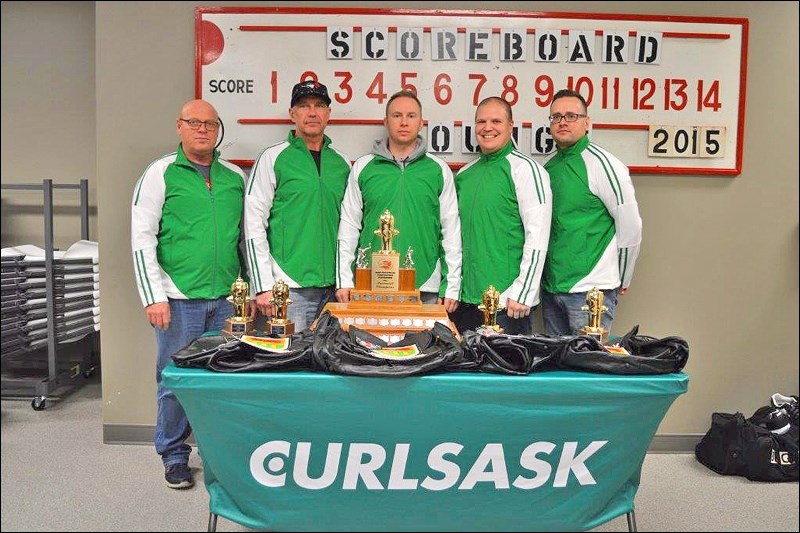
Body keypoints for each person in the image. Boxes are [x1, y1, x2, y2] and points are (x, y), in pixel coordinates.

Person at [131, 99, 246, 489]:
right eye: (194, 123)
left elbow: (244, 239)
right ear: (179, 127)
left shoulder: (234, 178)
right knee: (175, 381)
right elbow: (142, 237)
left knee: (223, 380)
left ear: (218, 131)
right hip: (177, 299)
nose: (202, 130)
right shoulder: (160, 173)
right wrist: (153, 296)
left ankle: (216, 452)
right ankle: (174, 454)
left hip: (228, 300)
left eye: (210, 124)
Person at [335, 89, 461, 311]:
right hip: (371, 285)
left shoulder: (438, 170)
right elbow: (349, 226)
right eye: (397, 115)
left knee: (423, 347)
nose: (404, 122)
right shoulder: (363, 167)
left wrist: (451, 286)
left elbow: (450, 231)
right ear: (385, 121)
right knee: (369, 347)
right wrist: (345, 279)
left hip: (424, 286)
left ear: (421, 122)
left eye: (411, 116)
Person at [244, 80, 351, 331]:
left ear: (328, 114)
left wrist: (346, 280)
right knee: (291, 366)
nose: (312, 112)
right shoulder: (272, 158)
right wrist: (262, 286)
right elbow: (253, 223)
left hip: (335, 290)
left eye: (319, 106)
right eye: (304, 106)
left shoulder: (343, 163)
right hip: (287, 289)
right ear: (292, 114)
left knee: (332, 365)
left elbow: (351, 225)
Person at [542, 88, 642, 336]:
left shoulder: (604, 164)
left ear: (587, 123)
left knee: (588, 369)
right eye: (556, 117)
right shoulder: (549, 167)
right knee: (558, 372)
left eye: (571, 116)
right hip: (553, 290)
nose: (562, 121)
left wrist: (623, 277)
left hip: (591, 293)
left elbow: (630, 225)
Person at [453, 97, 552, 334]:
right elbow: (453, 237)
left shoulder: (527, 169)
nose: (488, 127)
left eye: (496, 121)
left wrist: (523, 292)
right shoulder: (464, 175)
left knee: (505, 369)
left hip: (508, 304)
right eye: (481, 121)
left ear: (510, 126)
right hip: (465, 301)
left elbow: (538, 235)